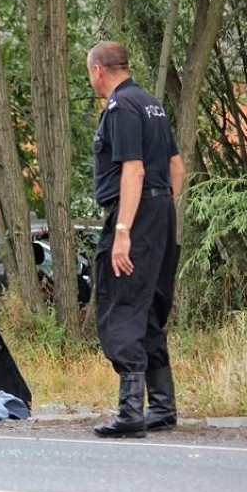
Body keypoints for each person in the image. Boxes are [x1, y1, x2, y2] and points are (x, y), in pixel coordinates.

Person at [85, 41, 186, 438]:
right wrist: (160, 211)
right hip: (160, 214)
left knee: (123, 306)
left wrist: (125, 230)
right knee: (148, 310)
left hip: (136, 215)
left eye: (89, 73)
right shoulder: (151, 103)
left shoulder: (121, 107)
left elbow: (134, 170)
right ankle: (161, 408)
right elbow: (176, 167)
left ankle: (130, 413)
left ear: (98, 70)